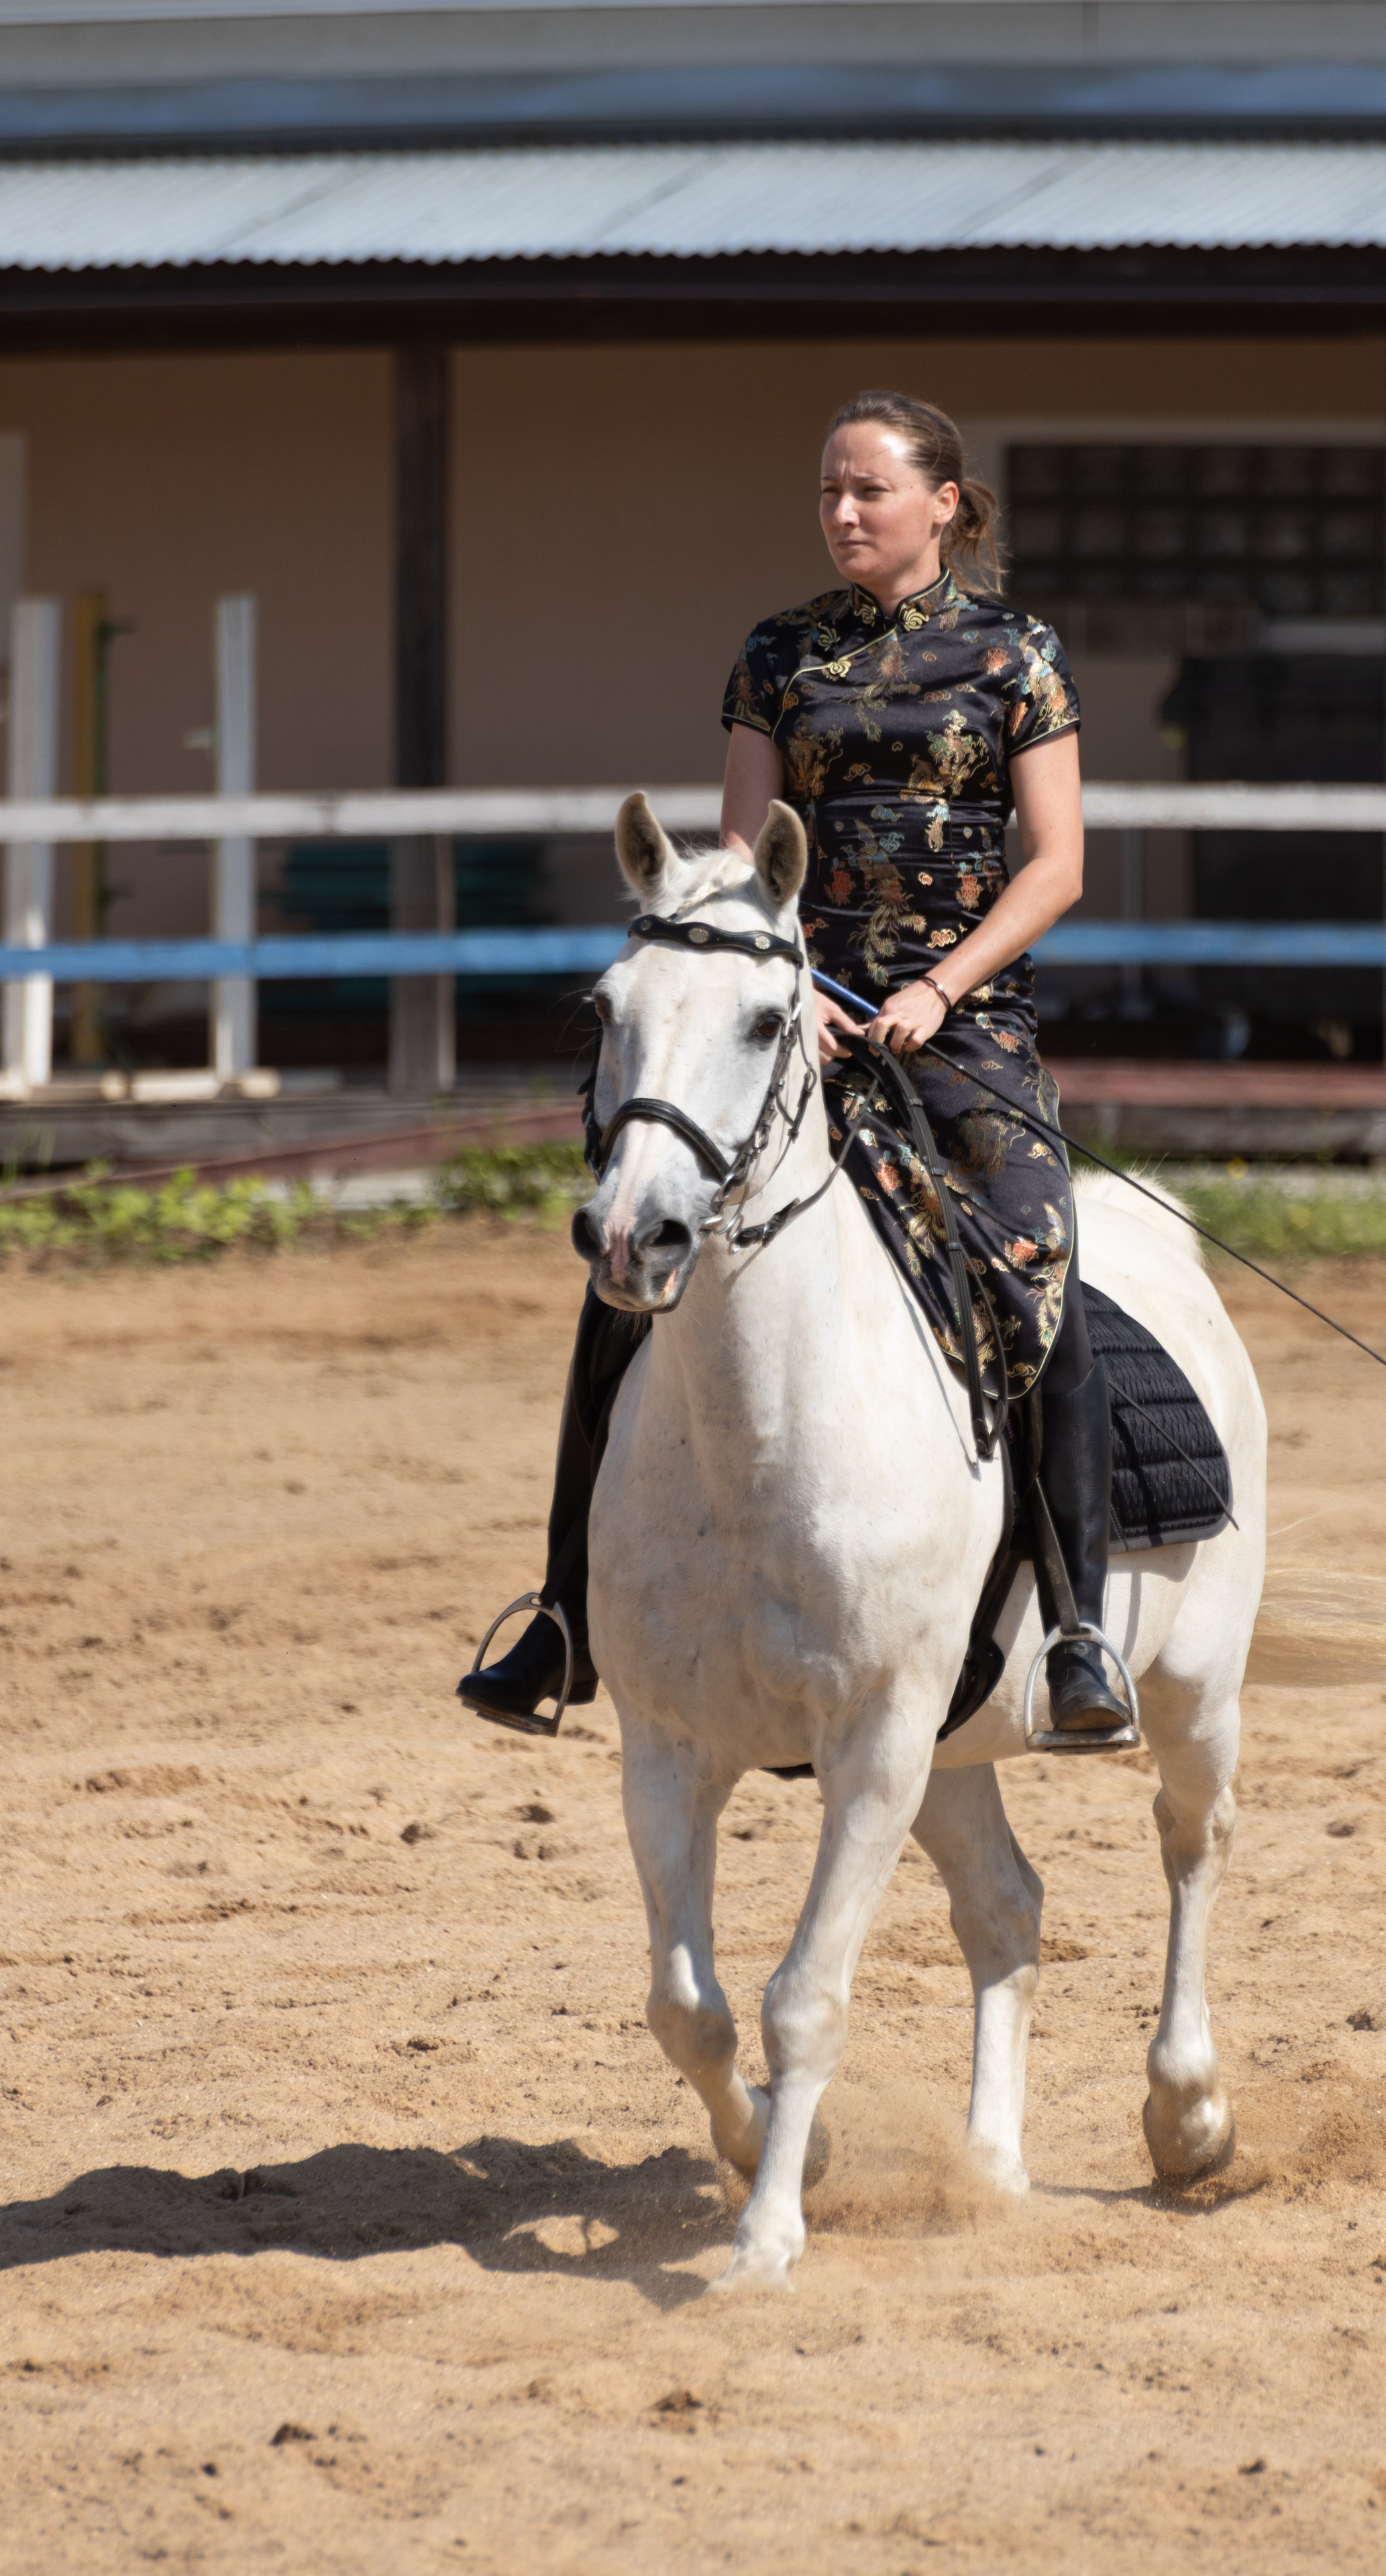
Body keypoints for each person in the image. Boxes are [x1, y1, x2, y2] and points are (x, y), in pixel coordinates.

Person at [457, 388, 1129, 1741]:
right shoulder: (778, 652)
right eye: (829, 489)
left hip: (962, 1024)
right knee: (622, 1269)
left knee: (1036, 1266)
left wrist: (938, 989)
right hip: (787, 1018)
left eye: (868, 489)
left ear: (942, 502)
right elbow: (738, 867)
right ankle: (563, 1616)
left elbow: (1055, 865)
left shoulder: (1018, 655)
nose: (842, 511)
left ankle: (1076, 1630)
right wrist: (800, 991)